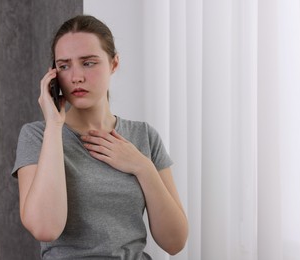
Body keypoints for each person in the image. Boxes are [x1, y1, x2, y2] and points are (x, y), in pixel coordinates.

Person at [11, 15, 188, 259]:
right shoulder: (38, 136)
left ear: (114, 64)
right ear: (53, 76)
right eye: (64, 66)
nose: (76, 77)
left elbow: (175, 242)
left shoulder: (144, 136)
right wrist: (54, 126)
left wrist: (142, 167)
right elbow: (45, 228)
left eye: (88, 63)